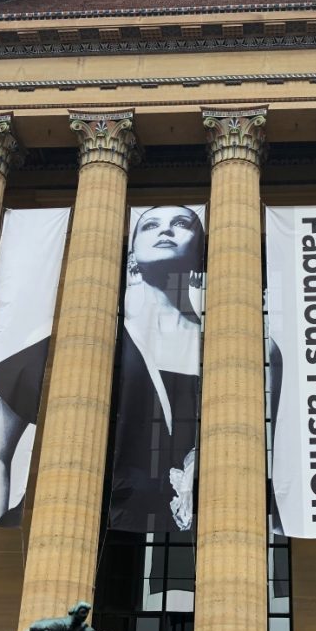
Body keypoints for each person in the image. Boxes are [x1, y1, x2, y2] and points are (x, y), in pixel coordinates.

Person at [110, 206, 205, 534]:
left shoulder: (218, 342)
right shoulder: (118, 336)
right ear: (132, 249)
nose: (165, 232)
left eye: (180, 223)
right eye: (150, 225)